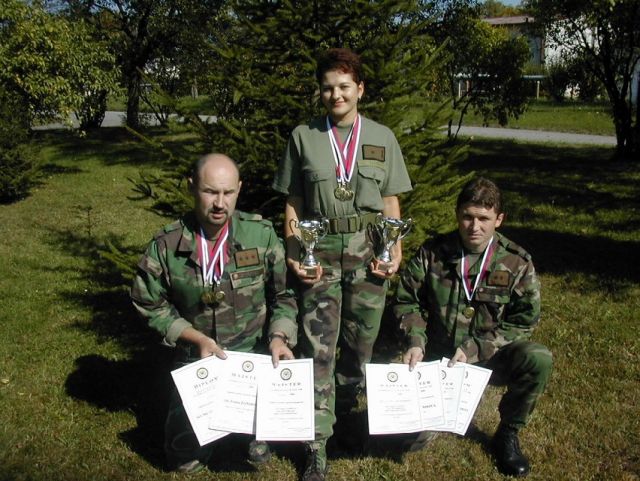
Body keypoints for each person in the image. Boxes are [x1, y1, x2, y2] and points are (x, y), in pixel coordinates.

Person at [273, 48, 412, 481]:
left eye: (345, 86)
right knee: (318, 347)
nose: (336, 94)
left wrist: (395, 248)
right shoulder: (304, 137)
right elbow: (294, 200)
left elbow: (390, 199)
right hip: (321, 252)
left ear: (360, 89)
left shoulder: (383, 137)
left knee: (360, 344)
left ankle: (348, 419)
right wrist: (295, 248)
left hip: (369, 251)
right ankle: (316, 442)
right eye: (328, 87)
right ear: (320, 91)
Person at [131, 153, 298, 473]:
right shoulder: (167, 245)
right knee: (183, 461)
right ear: (192, 187)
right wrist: (194, 338)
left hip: (252, 358)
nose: (220, 203)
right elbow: (149, 302)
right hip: (198, 361)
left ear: (239, 189)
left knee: (256, 436)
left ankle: (254, 428)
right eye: (210, 192)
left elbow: (285, 295)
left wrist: (279, 337)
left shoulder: (260, 236)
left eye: (228, 192)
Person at [394, 177, 552, 477]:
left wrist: (477, 348)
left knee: (538, 358)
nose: (474, 226)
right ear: (457, 214)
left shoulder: (516, 263)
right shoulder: (433, 253)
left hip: (490, 358)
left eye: (484, 219)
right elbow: (407, 301)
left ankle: (507, 433)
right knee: (407, 441)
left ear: (499, 219)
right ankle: (439, 409)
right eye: (467, 216)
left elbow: (523, 322)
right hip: (438, 359)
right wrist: (415, 340)